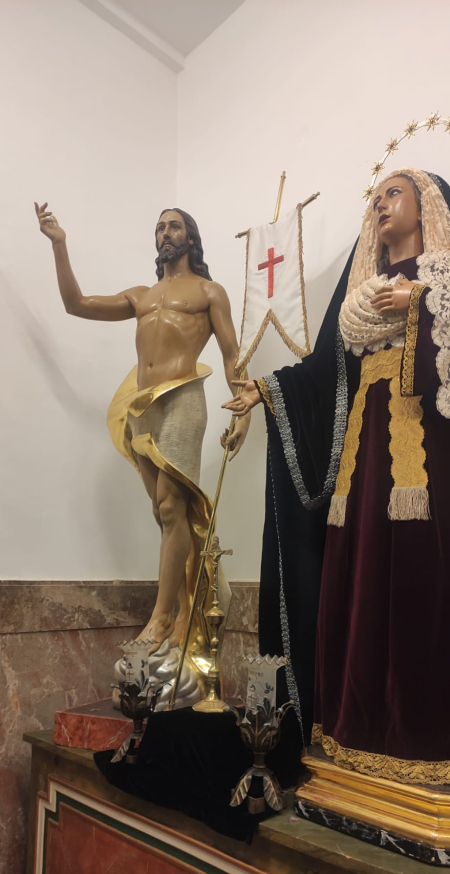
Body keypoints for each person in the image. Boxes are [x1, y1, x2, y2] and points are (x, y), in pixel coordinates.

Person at [223, 169, 450, 784]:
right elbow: (324, 372)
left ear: (427, 205)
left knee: (419, 575)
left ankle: (423, 736)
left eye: (394, 193)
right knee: (357, 573)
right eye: (375, 197)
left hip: (425, 454)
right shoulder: (358, 297)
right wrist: (269, 390)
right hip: (362, 459)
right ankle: (355, 726)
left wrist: (421, 304)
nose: (381, 204)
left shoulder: (442, 278)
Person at [35, 203, 249, 656]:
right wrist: (60, 245)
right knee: (164, 512)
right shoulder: (141, 296)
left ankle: (162, 615)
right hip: (141, 405)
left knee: (172, 506)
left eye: (174, 226)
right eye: (159, 228)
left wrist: (244, 407)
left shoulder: (209, 291)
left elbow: (232, 353)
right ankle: (191, 607)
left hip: (182, 398)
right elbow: (77, 305)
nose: (165, 233)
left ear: (190, 238)